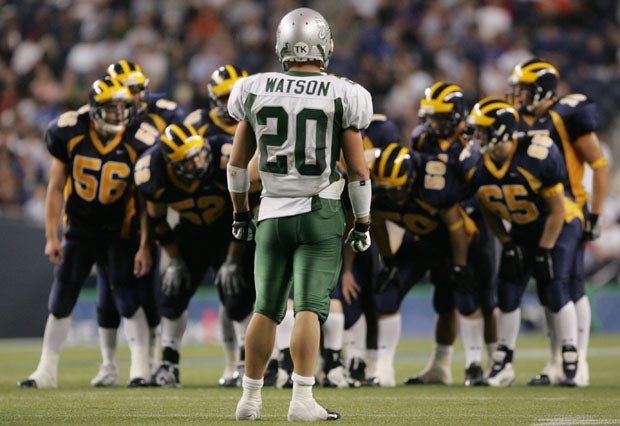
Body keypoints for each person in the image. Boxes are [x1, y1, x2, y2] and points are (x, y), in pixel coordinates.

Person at [227, 7, 373, 421]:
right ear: (324, 46)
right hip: (320, 210)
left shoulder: (254, 87)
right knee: (309, 307)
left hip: (271, 213)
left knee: (266, 308)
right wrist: (362, 222)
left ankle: (250, 399)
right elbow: (359, 170)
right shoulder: (344, 93)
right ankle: (301, 399)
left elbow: (237, 167)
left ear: (282, 45)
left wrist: (240, 214)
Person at [18, 77, 154, 388]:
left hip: (120, 228)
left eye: (123, 107)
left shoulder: (139, 138)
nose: (119, 114)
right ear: (94, 110)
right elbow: (55, 188)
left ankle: (140, 369)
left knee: (127, 295)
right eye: (111, 108)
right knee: (63, 294)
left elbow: (146, 200)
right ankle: (47, 370)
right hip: (80, 227)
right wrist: (52, 235)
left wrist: (145, 244)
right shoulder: (69, 132)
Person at [463, 97, 582, 387]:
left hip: (560, 223)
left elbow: (556, 209)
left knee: (553, 286)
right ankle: (503, 364)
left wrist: (543, 250)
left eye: (483, 131)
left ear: (501, 130)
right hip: (522, 227)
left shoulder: (535, 154)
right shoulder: (475, 165)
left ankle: (571, 358)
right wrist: (506, 239)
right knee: (507, 290)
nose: (477, 137)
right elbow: (487, 207)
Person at [508, 58, 609, 387]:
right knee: (551, 287)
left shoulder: (567, 115)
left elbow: (600, 164)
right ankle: (556, 362)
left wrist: (594, 212)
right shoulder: (521, 119)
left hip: (568, 210)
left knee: (569, 284)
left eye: (524, 89)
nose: (518, 95)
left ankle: (576, 362)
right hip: (538, 215)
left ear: (542, 89)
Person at [133, 122, 258, 388]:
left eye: (199, 154)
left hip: (232, 229)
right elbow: (158, 222)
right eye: (189, 161)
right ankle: (169, 363)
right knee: (172, 292)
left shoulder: (223, 155)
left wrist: (234, 258)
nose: (198, 162)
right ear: (172, 164)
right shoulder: (153, 171)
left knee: (238, 296)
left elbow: (248, 209)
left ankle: (245, 365)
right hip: (191, 233)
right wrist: (175, 260)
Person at [90, 60, 186, 387]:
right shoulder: (99, 117)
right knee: (109, 289)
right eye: (129, 89)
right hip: (107, 216)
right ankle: (110, 364)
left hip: (151, 208)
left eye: (137, 88)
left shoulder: (164, 113)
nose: (135, 96)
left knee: (148, 288)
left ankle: (152, 359)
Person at [407, 82, 498, 386]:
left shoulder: (474, 138)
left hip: (474, 226)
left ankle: (493, 362)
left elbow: (485, 183)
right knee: (445, 298)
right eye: (431, 117)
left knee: (481, 296)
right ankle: (441, 364)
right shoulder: (422, 139)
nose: (434, 124)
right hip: (440, 230)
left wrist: (467, 210)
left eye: (441, 117)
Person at [370, 143, 474, 387]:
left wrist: (459, 265)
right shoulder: (377, 189)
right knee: (387, 294)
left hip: (447, 245)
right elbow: (377, 221)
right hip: (415, 242)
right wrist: (389, 258)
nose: (392, 196)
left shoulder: (434, 183)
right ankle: (383, 367)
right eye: (387, 190)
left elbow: (456, 228)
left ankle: (443, 365)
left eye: (397, 190)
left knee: (450, 302)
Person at [184, 64, 256, 387]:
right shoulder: (197, 124)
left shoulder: (259, 117)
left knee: (257, 296)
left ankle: (266, 364)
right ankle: (234, 364)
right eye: (224, 97)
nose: (230, 104)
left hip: (254, 213)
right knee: (231, 296)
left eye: (234, 96)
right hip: (213, 220)